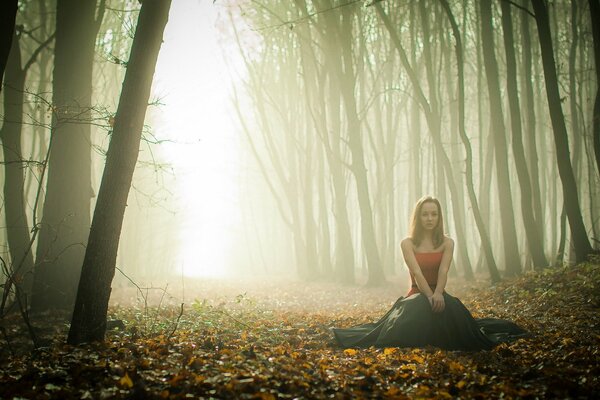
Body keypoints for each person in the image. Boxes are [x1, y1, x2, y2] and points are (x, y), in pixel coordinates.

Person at [333, 195, 529, 351]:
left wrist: (437, 295)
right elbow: (416, 273)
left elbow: (443, 271)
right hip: (417, 294)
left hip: (439, 294)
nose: (429, 218)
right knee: (414, 312)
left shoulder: (447, 242)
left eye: (433, 214)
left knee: (461, 326)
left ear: (439, 217)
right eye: (425, 214)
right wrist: (428, 295)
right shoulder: (407, 243)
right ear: (418, 217)